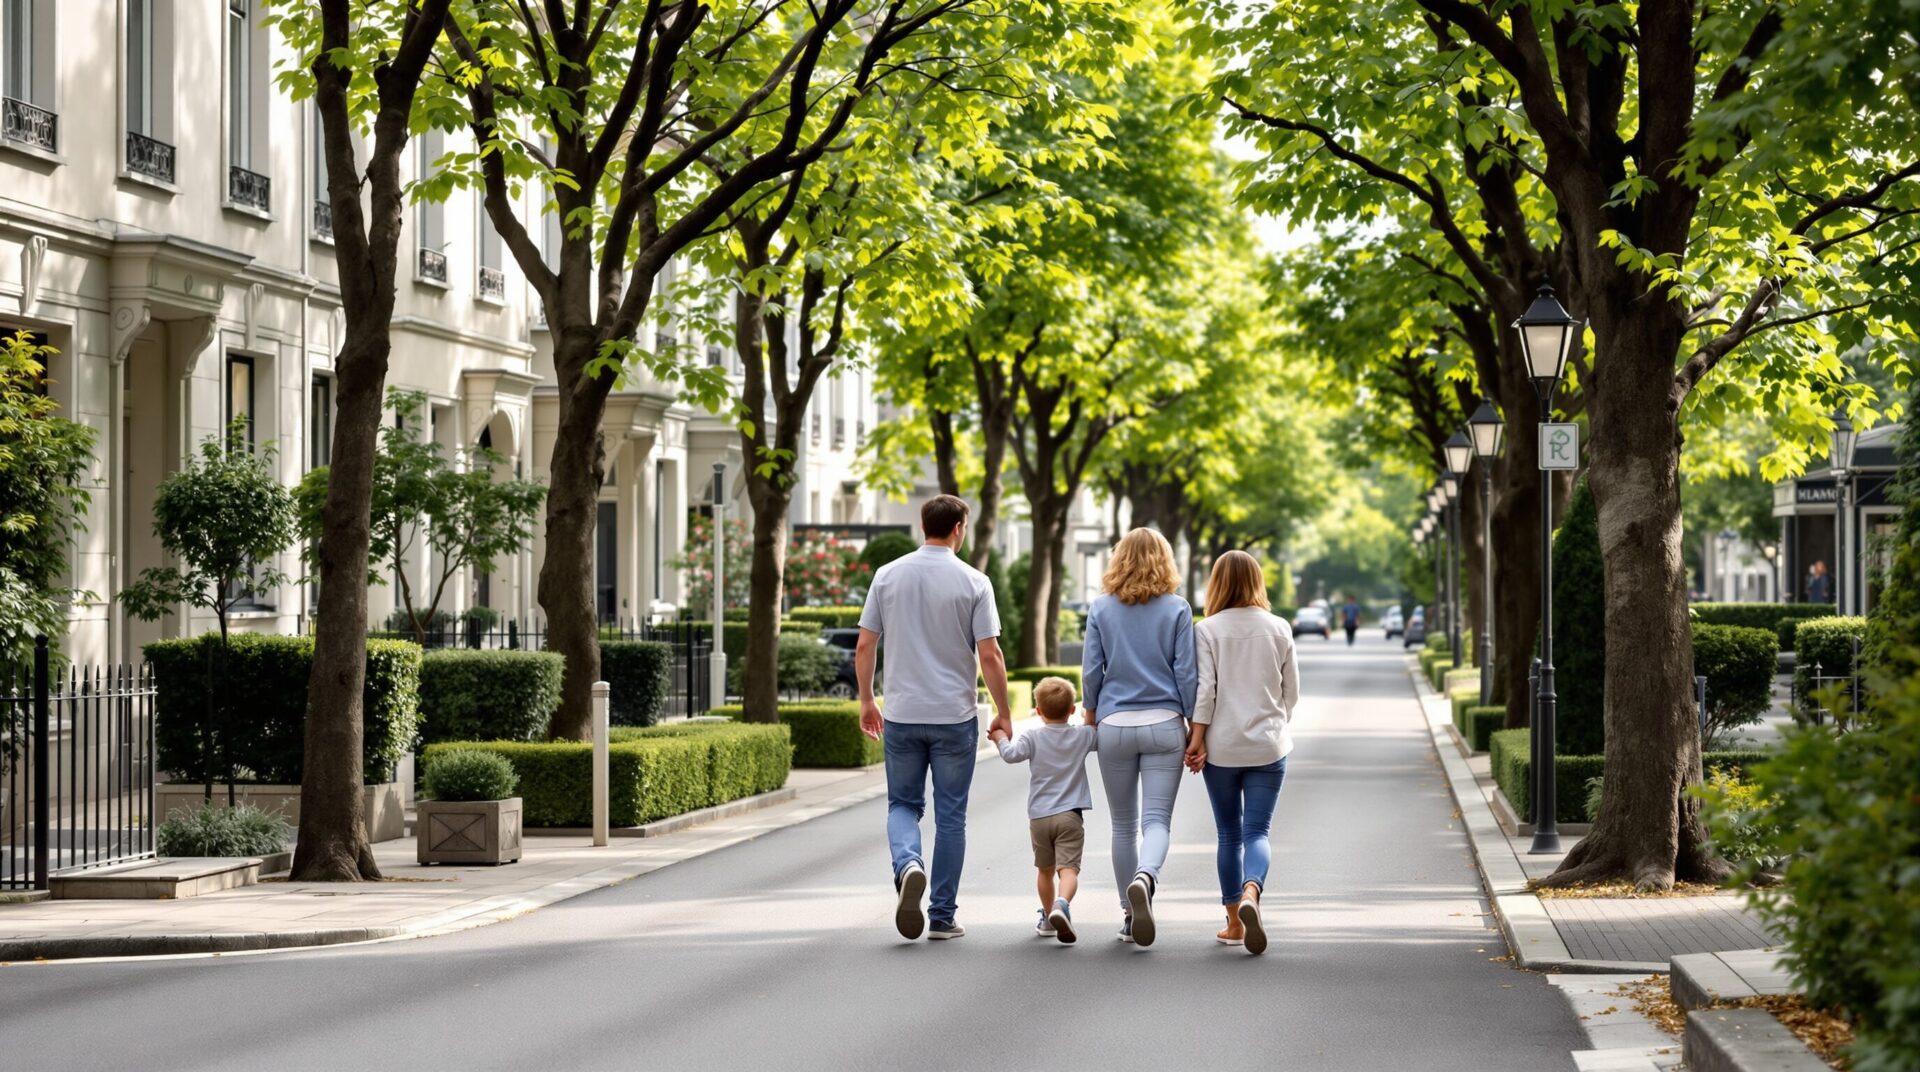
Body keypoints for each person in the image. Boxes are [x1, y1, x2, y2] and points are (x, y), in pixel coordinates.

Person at [857, 495, 1013, 942]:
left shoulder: (887, 575)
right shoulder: (974, 581)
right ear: (959, 528)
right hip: (953, 716)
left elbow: (866, 645)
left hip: (903, 714)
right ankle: (942, 917)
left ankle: (908, 864)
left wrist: (868, 700)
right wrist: (1003, 712)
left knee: (902, 805)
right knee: (951, 818)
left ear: (924, 525)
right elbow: (990, 654)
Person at [1082, 527, 1197, 948]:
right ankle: (1146, 878)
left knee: (1122, 825)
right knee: (1156, 821)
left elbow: (1092, 669)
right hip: (1165, 722)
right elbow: (1187, 672)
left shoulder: (1101, 608)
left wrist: (1091, 713)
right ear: (1165, 560)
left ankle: (1130, 917)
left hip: (1114, 725)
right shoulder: (1178, 609)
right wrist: (1190, 721)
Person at [1185, 550, 1298, 956]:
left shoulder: (1207, 630)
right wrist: (1273, 723)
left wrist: (1196, 739)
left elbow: (1205, 692)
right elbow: (1292, 692)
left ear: (1217, 583)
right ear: (1257, 581)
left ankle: (1234, 922)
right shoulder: (1279, 627)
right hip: (1268, 745)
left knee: (1229, 834)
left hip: (1222, 748)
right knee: (1257, 832)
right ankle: (1253, 891)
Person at [990, 676, 1097, 945]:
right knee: (1068, 870)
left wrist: (1000, 738)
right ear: (1072, 709)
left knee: (1045, 869)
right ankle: (1063, 902)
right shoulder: (1082, 735)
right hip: (1070, 815)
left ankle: (1049, 916)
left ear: (1038, 711)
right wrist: (1089, 714)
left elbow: (1011, 755)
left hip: (1039, 816)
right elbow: (1096, 730)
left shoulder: (1033, 737)